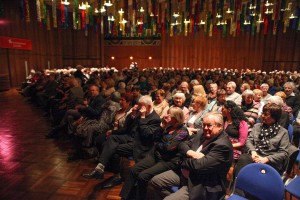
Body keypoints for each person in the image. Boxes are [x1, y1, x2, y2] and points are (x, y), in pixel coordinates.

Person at [150, 112, 233, 200]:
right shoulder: (202, 133)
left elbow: (198, 166)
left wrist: (183, 160)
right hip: (185, 174)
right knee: (155, 181)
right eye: (204, 125)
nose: (205, 128)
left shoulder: (223, 146)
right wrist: (191, 153)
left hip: (201, 183)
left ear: (219, 126)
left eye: (209, 125)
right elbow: (182, 144)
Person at [81, 95, 161, 183]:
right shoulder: (139, 112)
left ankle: (116, 176)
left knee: (112, 148)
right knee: (111, 138)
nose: (139, 107)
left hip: (140, 144)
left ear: (149, 106)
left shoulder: (155, 119)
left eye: (141, 105)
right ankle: (100, 168)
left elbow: (146, 135)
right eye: (139, 105)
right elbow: (127, 128)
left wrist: (142, 117)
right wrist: (132, 115)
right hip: (129, 137)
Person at [119, 107, 189, 200]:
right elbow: (155, 138)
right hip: (155, 154)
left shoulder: (183, 132)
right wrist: (162, 126)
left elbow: (168, 148)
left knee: (143, 176)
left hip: (168, 160)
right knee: (133, 170)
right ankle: (125, 197)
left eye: (169, 114)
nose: (165, 116)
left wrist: (158, 143)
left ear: (176, 118)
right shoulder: (167, 126)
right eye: (167, 113)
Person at [233, 103, 290, 181]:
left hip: (270, 161)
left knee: (260, 175)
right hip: (255, 155)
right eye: (263, 113)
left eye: (266, 114)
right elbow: (249, 140)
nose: (262, 116)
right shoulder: (257, 126)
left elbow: (283, 153)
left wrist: (267, 159)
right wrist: (253, 151)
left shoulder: (283, 132)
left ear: (274, 117)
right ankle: (238, 187)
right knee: (243, 158)